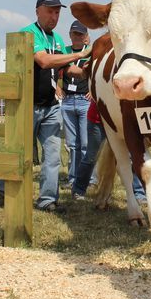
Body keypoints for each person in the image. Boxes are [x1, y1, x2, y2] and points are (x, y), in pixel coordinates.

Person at [0, 0, 89, 213]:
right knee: (18, 153)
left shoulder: (56, 38)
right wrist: (78, 55)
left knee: (53, 155)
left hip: (51, 106)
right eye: (50, 11)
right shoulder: (29, 33)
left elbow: (65, 69)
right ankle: (1, 186)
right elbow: (45, 61)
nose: (54, 16)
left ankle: (47, 200)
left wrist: (88, 72)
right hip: (26, 105)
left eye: (57, 12)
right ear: (38, 11)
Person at [71, 101, 147, 203]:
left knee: (130, 157)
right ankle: (78, 190)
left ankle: (139, 194)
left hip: (121, 121)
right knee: (91, 157)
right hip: (98, 120)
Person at [60, 20, 91, 188]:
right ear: (70, 35)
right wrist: (58, 87)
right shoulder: (64, 51)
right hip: (67, 101)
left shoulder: (90, 53)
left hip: (84, 101)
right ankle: (73, 179)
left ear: (85, 36)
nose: (77, 36)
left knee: (86, 144)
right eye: (74, 33)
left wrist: (93, 92)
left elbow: (96, 74)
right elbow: (55, 70)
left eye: (80, 33)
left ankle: (89, 180)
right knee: (72, 144)